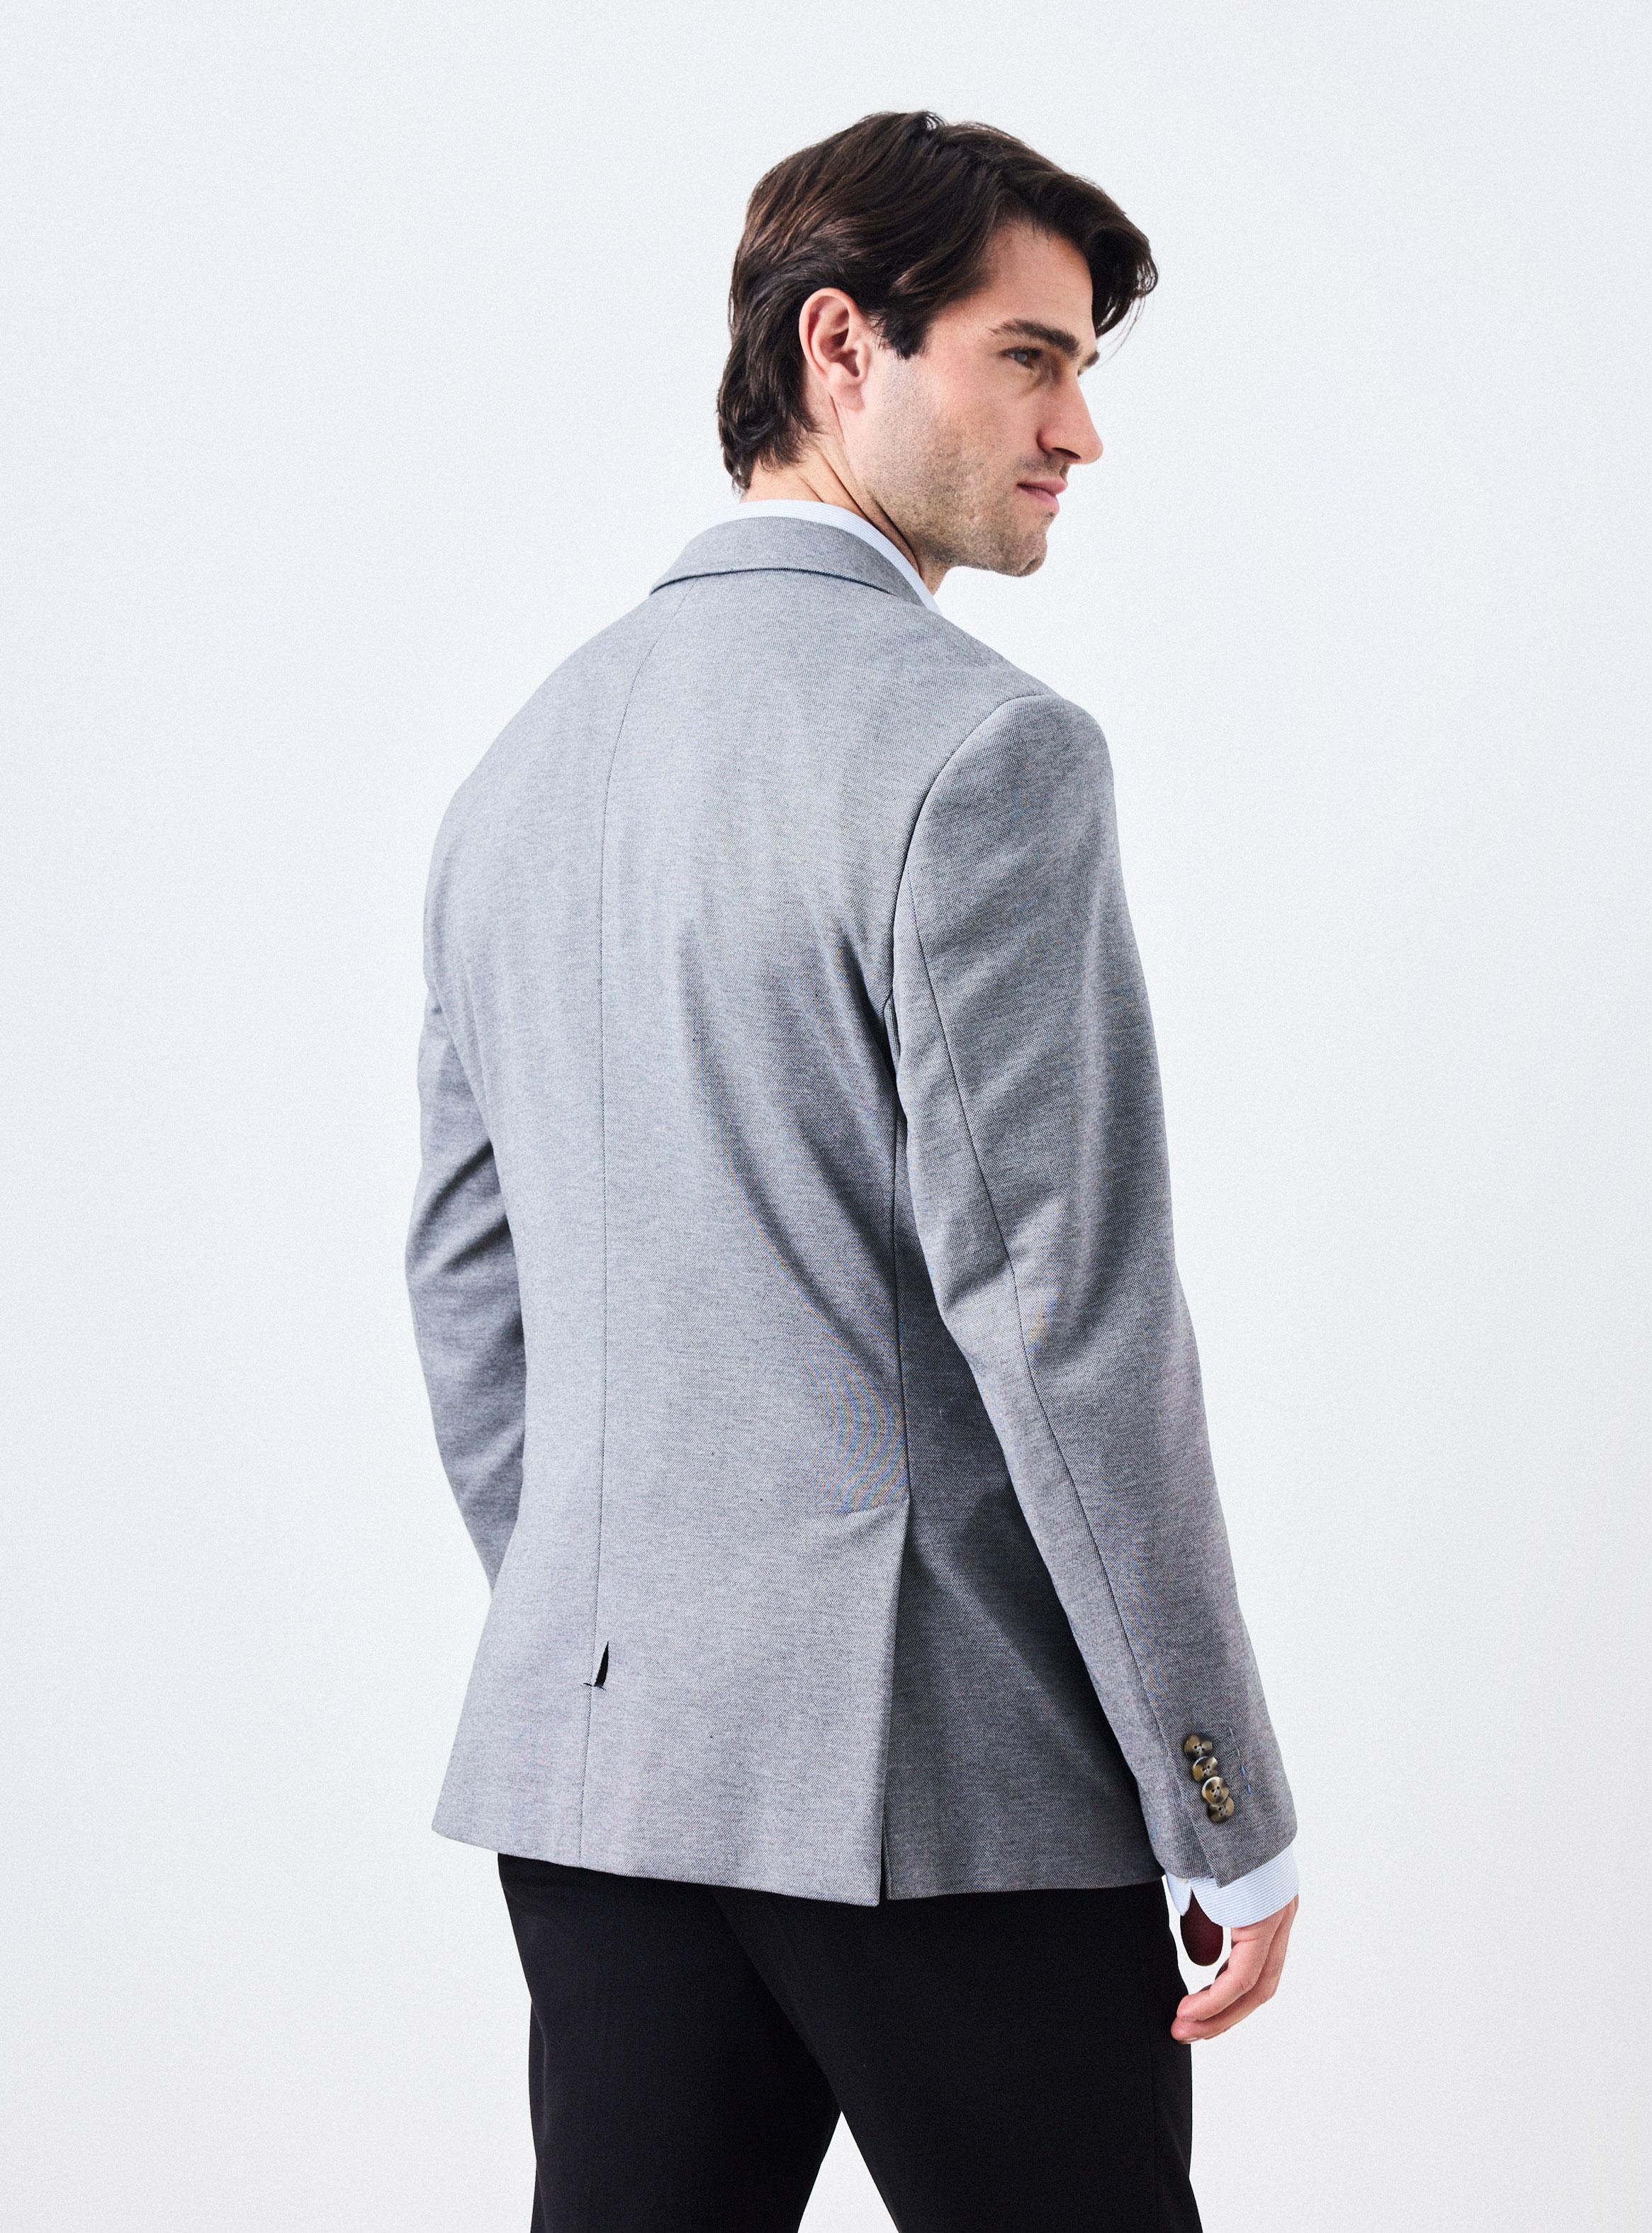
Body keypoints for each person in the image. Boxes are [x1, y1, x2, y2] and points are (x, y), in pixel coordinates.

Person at [406, 107, 1298, 2233]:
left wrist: (634, 1629)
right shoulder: (983, 751)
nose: (1079, 429)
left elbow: (466, 1286)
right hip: (946, 1791)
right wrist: (1218, 1794)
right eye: (1029, 358)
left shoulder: (521, 763)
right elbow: (1067, 1330)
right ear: (839, 346)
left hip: (601, 1778)